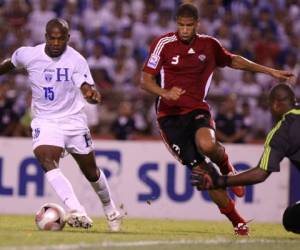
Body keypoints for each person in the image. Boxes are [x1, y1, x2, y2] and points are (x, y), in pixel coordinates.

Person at [141, 3, 293, 236]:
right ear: (176, 24)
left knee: (208, 144)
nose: (184, 30)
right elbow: (145, 80)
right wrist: (165, 93)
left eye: (189, 26)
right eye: (180, 25)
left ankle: (227, 167)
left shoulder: (209, 45)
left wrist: (269, 71)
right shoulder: (163, 44)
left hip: (196, 110)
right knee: (203, 174)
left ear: (197, 25)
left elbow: (234, 60)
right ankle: (238, 222)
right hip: (169, 118)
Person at [0, 18, 122, 232]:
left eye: (61, 39)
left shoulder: (76, 60)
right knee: (46, 159)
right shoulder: (29, 54)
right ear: (46, 37)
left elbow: (86, 88)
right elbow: (10, 63)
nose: (56, 43)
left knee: (91, 172)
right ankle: (77, 210)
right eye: (52, 38)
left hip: (73, 120)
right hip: (45, 121)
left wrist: (91, 96)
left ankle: (110, 209)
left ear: (68, 38)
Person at [191, 84, 299, 191]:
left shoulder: (281, 132)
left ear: (275, 105)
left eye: (270, 106)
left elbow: (260, 173)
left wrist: (219, 181)